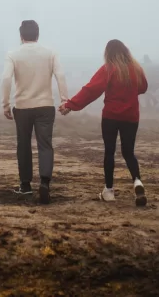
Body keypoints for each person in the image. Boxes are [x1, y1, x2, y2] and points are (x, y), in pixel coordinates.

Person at [60, 40, 148, 206]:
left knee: (109, 152)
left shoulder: (109, 69)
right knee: (129, 152)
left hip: (111, 117)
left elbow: (91, 90)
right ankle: (137, 182)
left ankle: (108, 191)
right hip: (131, 117)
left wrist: (71, 105)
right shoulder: (136, 69)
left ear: (108, 53)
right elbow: (143, 88)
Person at [1, 19, 68, 204]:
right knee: (45, 144)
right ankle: (45, 183)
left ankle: (25, 186)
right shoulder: (50, 53)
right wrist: (64, 100)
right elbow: (60, 75)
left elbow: (6, 78)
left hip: (22, 107)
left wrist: (5, 104)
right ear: (37, 35)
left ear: (21, 36)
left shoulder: (13, 54)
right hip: (45, 106)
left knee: (23, 145)